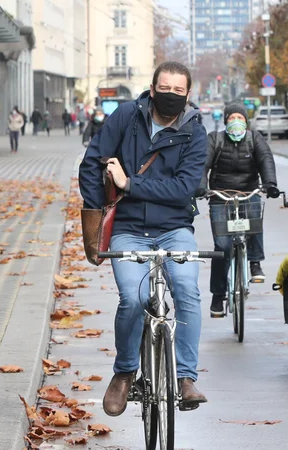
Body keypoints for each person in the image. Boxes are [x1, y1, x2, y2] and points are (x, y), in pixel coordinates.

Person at [79, 61, 208, 416]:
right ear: (152, 89)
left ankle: (185, 377)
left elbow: (184, 188)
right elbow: (92, 162)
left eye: (178, 91)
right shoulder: (125, 117)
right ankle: (123, 373)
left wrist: (129, 184)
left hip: (175, 228)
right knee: (133, 300)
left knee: (187, 290)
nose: (170, 95)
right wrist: (96, 209)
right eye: (164, 89)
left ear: (188, 95)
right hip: (128, 229)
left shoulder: (196, 131)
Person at [196, 102, 279, 318]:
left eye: (240, 118)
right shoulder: (215, 139)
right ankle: (217, 295)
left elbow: (266, 160)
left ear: (246, 122)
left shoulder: (255, 139)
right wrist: (201, 187)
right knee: (222, 246)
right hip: (220, 196)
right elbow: (203, 164)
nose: (236, 122)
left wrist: (270, 184)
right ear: (225, 121)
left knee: (254, 219)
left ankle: (255, 263)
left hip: (248, 192)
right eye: (232, 118)